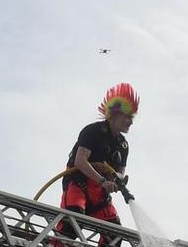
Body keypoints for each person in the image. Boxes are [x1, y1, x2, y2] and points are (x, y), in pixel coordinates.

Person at [58, 82, 137, 233]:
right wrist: (102, 180)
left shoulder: (123, 145)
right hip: (78, 184)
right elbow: (80, 161)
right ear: (114, 115)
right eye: (127, 117)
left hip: (100, 193)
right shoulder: (93, 131)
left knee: (115, 234)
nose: (131, 122)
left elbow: (120, 172)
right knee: (73, 221)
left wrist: (116, 180)